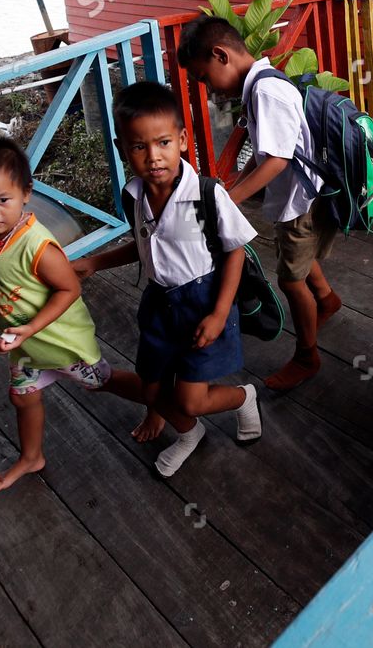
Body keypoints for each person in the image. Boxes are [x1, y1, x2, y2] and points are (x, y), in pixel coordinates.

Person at [71, 81, 262, 476]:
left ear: (182, 139)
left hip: (204, 302)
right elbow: (146, 247)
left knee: (191, 398)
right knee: (153, 387)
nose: (153, 157)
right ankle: (189, 434)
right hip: (159, 304)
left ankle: (243, 397)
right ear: (124, 149)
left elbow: (235, 250)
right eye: (139, 147)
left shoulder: (203, 196)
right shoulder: (134, 196)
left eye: (163, 143)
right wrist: (95, 262)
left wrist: (218, 312)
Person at [0, 135, 144, 492]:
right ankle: (31, 458)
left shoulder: (36, 245)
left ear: (26, 192)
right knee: (23, 396)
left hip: (56, 342)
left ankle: (161, 400)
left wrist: (28, 328)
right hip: (27, 347)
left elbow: (69, 288)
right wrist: (21, 334)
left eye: (2, 200)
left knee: (103, 381)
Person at [176, 16, 342, 392]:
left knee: (289, 278)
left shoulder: (265, 93)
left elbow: (278, 159)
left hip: (301, 199)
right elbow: (264, 148)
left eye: (204, 78)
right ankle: (328, 300)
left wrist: (229, 200)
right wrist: (231, 184)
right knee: (293, 252)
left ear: (221, 55)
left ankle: (307, 356)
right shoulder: (261, 85)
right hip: (295, 197)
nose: (209, 89)